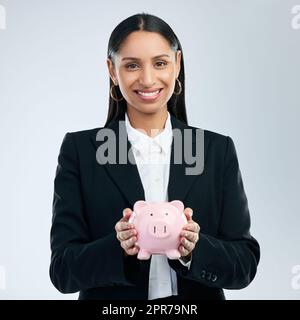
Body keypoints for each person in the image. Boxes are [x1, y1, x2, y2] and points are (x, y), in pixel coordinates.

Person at [49, 12, 260, 300]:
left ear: (177, 64)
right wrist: (118, 247)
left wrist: (195, 249)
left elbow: (244, 265)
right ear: (112, 70)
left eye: (160, 63)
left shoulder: (214, 150)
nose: (148, 80)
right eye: (132, 65)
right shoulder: (82, 151)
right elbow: (62, 271)